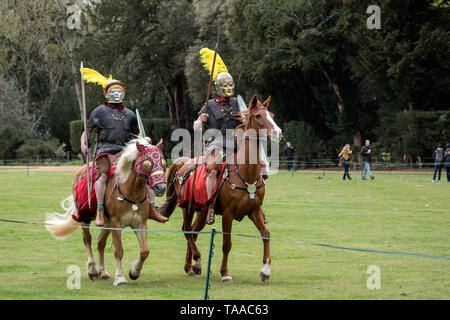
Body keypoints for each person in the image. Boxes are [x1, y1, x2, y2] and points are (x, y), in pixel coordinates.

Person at [80, 68, 167, 226]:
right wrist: (83, 143)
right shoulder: (98, 112)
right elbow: (86, 132)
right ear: (107, 94)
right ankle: (100, 210)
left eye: (120, 91)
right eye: (114, 91)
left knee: (144, 172)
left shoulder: (130, 115)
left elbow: (137, 137)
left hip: (126, 152)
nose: (117, 93)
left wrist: (145, 142)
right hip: (105, 152)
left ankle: (152, 208)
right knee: (103, 176)